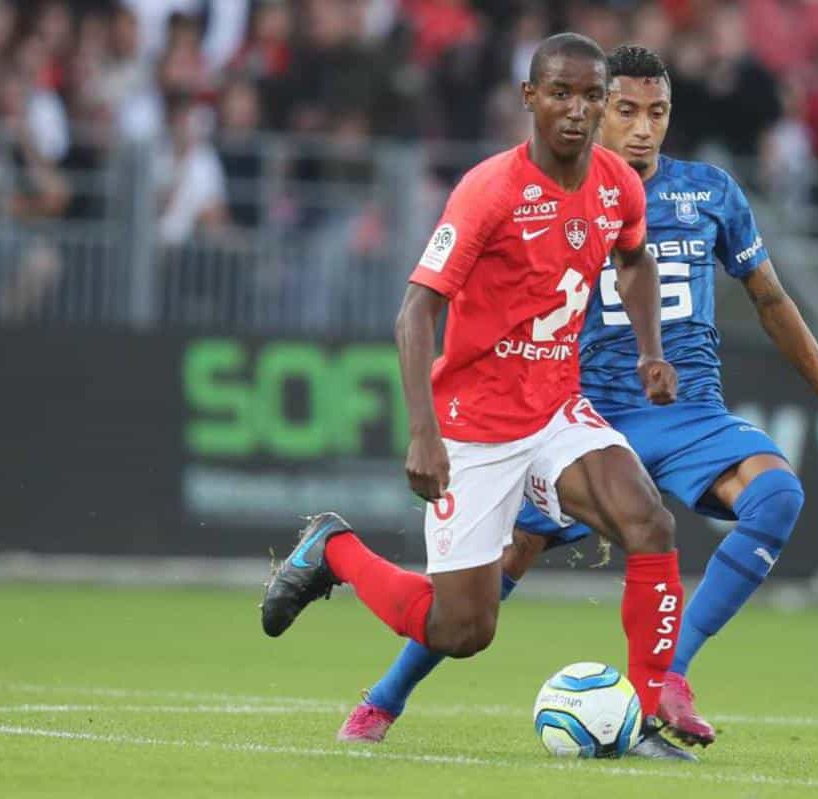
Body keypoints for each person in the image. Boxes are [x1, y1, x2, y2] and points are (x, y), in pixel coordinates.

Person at [343, 45, 818, 750]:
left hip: (688, 413)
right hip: (584, 407)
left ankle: (667, 679)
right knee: (489, 584)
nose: (640, 128)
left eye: (655, 112)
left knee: (776, 494)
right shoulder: (545, 185)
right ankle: (385, 697)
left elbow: (770, 297)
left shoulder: (711, 193)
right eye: (626, 110)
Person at [260, 33, 694, 761]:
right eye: (561, 93)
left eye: (591, 97)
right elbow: (415, 311)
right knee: (463, 630)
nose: (577, 110)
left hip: (556, 408)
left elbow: (635, 259)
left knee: (647, 520)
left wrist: (652, 351)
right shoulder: (490, 190)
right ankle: (334, 550)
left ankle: (648, 715)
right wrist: (423, 433)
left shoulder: (617, 182)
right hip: (475, 427)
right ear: (529, 98)